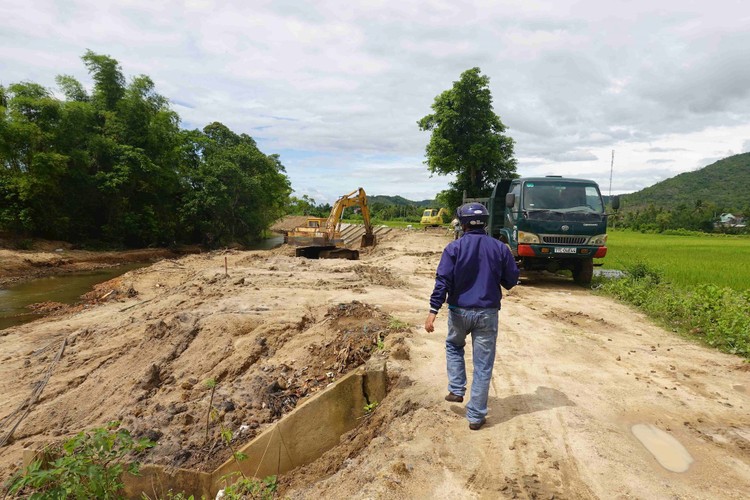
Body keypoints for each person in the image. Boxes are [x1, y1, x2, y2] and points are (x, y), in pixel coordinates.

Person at [424, 202, 520, 430]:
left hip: (459, 311)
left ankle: (457, 389)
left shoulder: (453, 248)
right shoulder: (499, 248)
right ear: (484, 222)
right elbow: (511, 280)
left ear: (462, 223)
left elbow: (443, 281)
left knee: (454, 346)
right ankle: (476, 417)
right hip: (487, 313)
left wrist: (433, 311)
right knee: (483, 364)